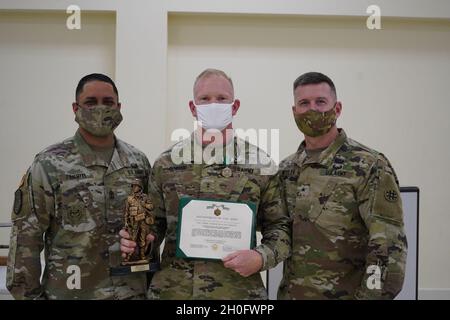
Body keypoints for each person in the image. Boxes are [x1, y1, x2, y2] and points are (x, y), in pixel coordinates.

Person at [120, 68, 290, 299]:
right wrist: (139, 239)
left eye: (221, 99)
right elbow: (156, 225)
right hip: (173, 291)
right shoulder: (166, 163)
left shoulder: (260, 164)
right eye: (205, 99)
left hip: (238, 293)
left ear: (235, 106)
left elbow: (279, 228)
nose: (213, 105)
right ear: (193, 107)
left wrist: (261, 258)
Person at [6, 73, 151, 299]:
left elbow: (150, 229)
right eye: (91, 102)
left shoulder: (138, 162)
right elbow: (26, 239)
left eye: (108, 102)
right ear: (76, 108)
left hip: (130, 292)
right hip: (72, 293)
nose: (101, 108)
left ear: (119, 107)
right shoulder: (50, 163)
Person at [277, 72, 407, 299]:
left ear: (337, 109)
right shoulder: (287, 169)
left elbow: (388, 250)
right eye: (304, 103)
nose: (312, 110)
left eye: (320, 102)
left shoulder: (369, 165)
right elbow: (275, 230)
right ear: (294, 111)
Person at [123, 180, 154, 262]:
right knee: (132, 239)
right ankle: (128, 257)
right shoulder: (129, 199)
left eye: (135, 186)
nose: (134, 188)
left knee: (142, 239)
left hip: (143, 221)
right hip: (134, 222)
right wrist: (126, 222)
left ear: (140, 187)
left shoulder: (145, 197)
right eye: (133, 186)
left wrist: (145, 205)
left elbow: (151, 207)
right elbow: (126, 212)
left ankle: (142, 255)